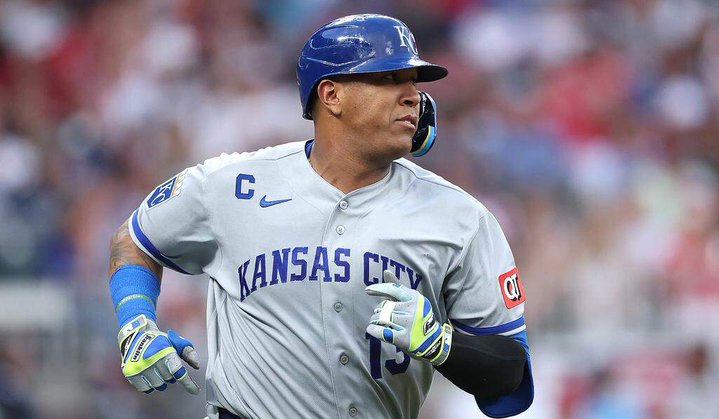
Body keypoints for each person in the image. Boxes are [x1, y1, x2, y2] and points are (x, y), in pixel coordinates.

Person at [108, 14, 533, 419]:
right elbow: (135, 240)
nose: (412, 95)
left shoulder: (461, 217)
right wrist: (136, 323)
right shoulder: (230, 185)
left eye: (412, 82)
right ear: (331, 95)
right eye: (388, 79)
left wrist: (442, 344)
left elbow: (509, 374)